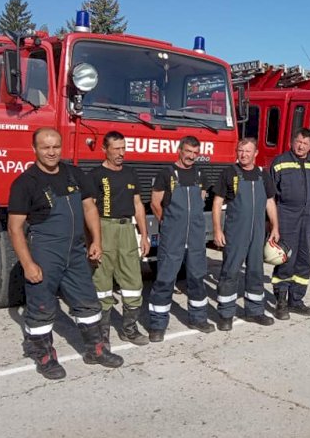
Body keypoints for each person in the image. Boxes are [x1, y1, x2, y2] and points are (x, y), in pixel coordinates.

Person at [7, 128, 124, 380]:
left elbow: (90, 208)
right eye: (45, 147)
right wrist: (27, 264)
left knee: (88, 302)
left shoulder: (74, 173)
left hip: (75, 251)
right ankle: (43, 355)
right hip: (45, 252)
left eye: (56, 147)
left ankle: (96, 349)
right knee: (41, 307)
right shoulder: (26, 183)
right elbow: (15, 228)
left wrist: (96, 241)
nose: (52, 152)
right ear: (34, 149)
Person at [89, 131, 150, 348]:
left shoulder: (131, 173)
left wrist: (144, 235)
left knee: (133, 281)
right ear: (104, 149)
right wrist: (94, 240)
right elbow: (89, 209)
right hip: (104, 227)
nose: (121, 153)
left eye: (123, 148)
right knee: (102, 283)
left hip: (126, 229)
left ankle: (129, 330)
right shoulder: (95, 175)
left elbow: (138, 205)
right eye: (116, 149)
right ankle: (102, 334)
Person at [148, 136, 213, 341]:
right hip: (172, 235)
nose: (191, 156)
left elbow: (201, 198)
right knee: (165, 279)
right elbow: (155, 203)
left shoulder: (200, 174)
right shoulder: (166, 174)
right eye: (188, 151)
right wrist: (167, 223)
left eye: (195, 153)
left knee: (197, 277)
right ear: (180, 150)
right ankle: (158, 325)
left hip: (195, 235)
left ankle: (198, 318)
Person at [212, 138, 280, 331]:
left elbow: (270, 202)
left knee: (256, 272)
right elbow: (217, 203)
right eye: (240, 151)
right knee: (230, 272)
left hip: (258, 233)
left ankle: (255, 311)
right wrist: (217, 229)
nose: (243, 154)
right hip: (236, 232)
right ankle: (226, 314)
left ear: (256, 153)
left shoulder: (262, 175)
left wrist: (274, 227)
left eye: (247, 151)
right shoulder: (229, 173)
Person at [270, 128, 310, 320]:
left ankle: (296, 301)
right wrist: (271, 223)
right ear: (292, 141)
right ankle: (281, 302)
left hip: (309, 217)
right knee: (285, 259)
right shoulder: (280, 162)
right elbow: (270, 196)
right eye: (298, 141)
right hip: (286, 215)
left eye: (305, 143)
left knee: (304, 260)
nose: (301, 146)